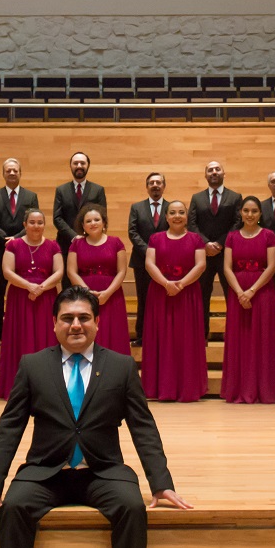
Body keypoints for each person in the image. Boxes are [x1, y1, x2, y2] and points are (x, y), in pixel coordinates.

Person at [0, 286, 191, 548]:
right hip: (46, 472)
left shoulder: (121, 366)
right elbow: (10, 426)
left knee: (132, 507)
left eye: (84, 318)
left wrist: (161, 482)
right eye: (67, 318)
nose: (76, 325)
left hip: (102, 471)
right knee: (13, 507)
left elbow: (143, 427)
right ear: (54, 323)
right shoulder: (33, 366)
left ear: (97, 323)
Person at [142, 200, 208, 402]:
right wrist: (166, 283)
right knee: (161, 337)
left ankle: (187, 388)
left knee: (185, 339)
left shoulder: (196, 239)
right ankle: (162, 388)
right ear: (166, 216)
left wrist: (180, 284)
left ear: (187, 216)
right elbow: (149, 264)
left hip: (187, 294)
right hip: (160, 294)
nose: (177, 215)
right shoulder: (155, 238)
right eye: (173, 212)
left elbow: (201, 265)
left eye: (181, 212)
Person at [220, 196, 275, 404]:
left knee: (263, 338)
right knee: (240, 339)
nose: (250, 214)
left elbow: (272, 266)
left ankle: (264, 389)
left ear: (260, 214)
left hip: (262, 291)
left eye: (254, 211)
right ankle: (239, 387)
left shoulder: (269, 235)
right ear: (240, 213)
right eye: (246, 210)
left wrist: (252, 291)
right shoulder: (231, 237)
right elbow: (227, 267)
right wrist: (239, 292)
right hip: (238, 292)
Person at [0, 209, 64, 399]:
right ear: (24, 225)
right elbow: (7, 271)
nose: (36, 226)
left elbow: (59, 272)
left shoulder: (53, 246)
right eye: (32, 222)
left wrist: (40, 288)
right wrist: (29, 286)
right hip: (20, 298)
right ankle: (18, 388)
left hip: (46, 297)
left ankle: (48, 386)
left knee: (46, 339)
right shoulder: (13, 245)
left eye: (40, 222)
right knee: (20, 338)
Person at [0, 158, 40, 347]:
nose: (11, 173)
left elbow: (34, 220)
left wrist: (16, 238)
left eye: (15, 170)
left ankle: (19, 332)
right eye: (8, 170)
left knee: (22, 292)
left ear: (20, 173)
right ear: (3, 173)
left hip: (25, 251)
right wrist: (6, 238)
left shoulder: (30, 196)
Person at [68, 203, 130, 354]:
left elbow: (122, 271)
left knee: (114, 334)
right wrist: (88, 293)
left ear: (104, 222)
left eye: (96, 219)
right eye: (88, 221)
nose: (93, 223)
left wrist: (107, 293)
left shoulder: (116, 242)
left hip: (112, 296)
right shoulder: (76, 244)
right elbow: (71, 271)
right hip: (84, 296)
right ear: (82, 225)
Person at [188, 161, 242, 320]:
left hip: (227, 253)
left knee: (230, 293)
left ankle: (233, 334)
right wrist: (205, 243)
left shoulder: (235, 197)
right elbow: (191, 223)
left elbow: (238, 222)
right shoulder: (197, 198)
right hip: (203, 255)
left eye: (217, 169)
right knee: (202, 294)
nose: (214, 172)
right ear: (205, 175)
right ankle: (202, 334)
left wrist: (220, 243)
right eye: (210, 170)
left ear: (224, 174)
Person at [126, 172, 170, 347]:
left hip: (166, 262)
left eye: (159, 182)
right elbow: (132, 232)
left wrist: (162, 253)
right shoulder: (137, 207)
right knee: (143, 298)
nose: (155, 185)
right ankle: (142, 335)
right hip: (142, 261)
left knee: (164, 300)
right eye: (151, 182)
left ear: (164, 186)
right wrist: (150, 252)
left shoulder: (171, 208)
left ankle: (164, 335)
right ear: (147, 187)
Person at [52, 152, 106, 257]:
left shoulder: (98, 190)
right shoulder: (61, 190)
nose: (79, 166)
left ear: (88, 166)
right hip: (66, 243)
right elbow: (57, 218)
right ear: (70, 166)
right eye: (75, 163)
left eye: (82, 163)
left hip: (92, 242)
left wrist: (87, 235)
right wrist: (74, 236)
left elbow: (102, 216)